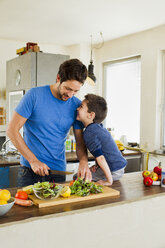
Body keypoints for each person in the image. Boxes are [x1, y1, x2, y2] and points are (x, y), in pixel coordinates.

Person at [7, 59, 92, 187]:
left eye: (75, 91)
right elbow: (12, 130)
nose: (70, 95)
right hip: (30, 170)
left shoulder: (76, 106)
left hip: (58, 172)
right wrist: (33, 161)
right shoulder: (34, 96)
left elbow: (80, 141)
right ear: (58, 78)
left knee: (57, 207)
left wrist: (84, 162)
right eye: (68, 88)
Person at [75, 94, 127, 186]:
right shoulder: (97, 127)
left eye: (81, 107)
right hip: (119, 167)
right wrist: (97, 166)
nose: (77, 109)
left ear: (91, 115)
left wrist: (108, 181)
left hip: (113, 170)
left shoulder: (89, 132)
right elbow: (102, 151)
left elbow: (101, 158)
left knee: (78, 177)